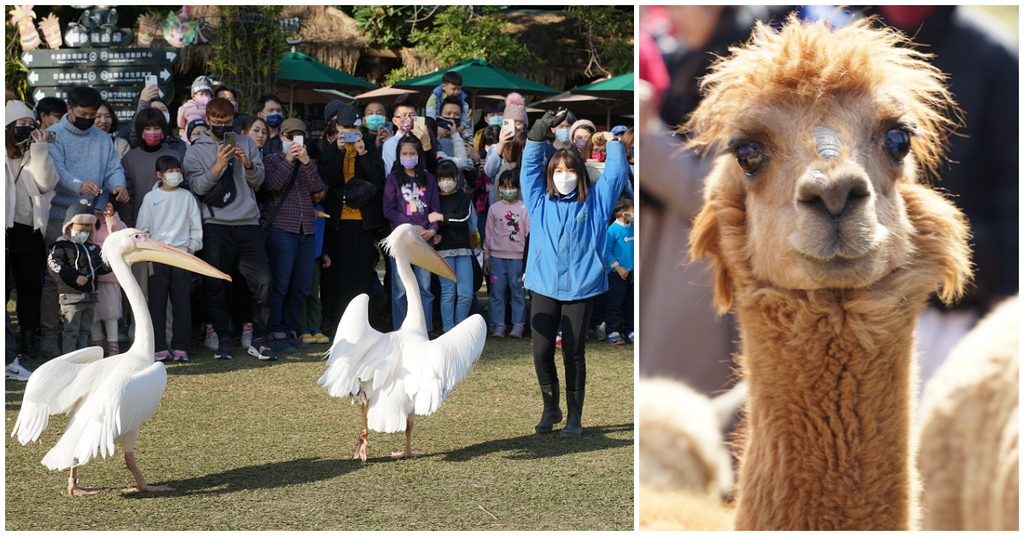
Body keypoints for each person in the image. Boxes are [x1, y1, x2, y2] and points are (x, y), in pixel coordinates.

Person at [521, 108, 627, 438]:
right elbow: (528, 168)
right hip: (543, 285)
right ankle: (550, 407)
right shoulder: (538, 201)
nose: (563, 175)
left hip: (581, 288)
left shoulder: (596, 202)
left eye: (569, 170)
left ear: (580, 174)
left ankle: (574, 417)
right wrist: (539, 130)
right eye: (558, 171)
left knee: (573, 352)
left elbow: (615, 176)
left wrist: (613, 144)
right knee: (541, 351)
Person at [183, 96, 274, 361]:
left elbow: (259, 181)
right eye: (218, 122)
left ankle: (259, 336)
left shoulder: (246, 142)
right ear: (207, 120)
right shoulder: (195, 150)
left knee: (263, 281)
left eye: (228, 122)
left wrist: (247, 164)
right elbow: (198, 188)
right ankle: (221, 337)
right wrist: (219, 165)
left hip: (248, 223)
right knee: (216, 285)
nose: (223, 126)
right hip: (216, 225)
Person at [41, 86, 129, 358]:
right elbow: (55, 169)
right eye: (83, 114)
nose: (89, 119)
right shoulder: (55, 134)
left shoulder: (102, 138)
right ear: (69, 109)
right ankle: (49, 335)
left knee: (92, 275)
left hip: (94, 219)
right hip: (60, 216)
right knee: (56, 278)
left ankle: (90, 336)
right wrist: (78, 185)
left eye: (93, 115)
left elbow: (113, 167)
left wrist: (118, 185)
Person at [318, 101, 388, 334]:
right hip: (337, 220)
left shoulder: (368, 147)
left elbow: (377, 179)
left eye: (353, 127)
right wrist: (339, 151)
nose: (349, 131)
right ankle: (335, 318)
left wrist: (363, 152)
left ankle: (362, 321)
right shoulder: (330, 150)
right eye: (345, 127)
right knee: (336, 273)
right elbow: (330, 179)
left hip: (362, 221)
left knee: (361, 273)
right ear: (338, 127)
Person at [261, 118, 324, 353]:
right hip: (281, 228)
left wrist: (306, 161)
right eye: (289, 137)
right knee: (281, 284)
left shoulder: (308, 162)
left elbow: (318, 189)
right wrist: (289, 159)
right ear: (281, 137)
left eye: (298, 137)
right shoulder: (271, 160)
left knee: (303, 285)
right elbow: (271, 186)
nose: (293, 141)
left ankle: (289, 328)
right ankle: (275, 330)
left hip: (306, 229)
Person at [5, 100, 58, 361]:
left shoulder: (36, 151)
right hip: (6, 229)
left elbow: (46, 184)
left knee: (29, 288)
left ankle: (28, 338)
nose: (28, 127)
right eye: (21, 124)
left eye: (30, 123)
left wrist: (39, 149)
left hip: (31, 229)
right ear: (8, 126)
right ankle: (7, 342)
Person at [136, 155, 203, 363]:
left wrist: (191, 248)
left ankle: (181, 347)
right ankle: (159, 348)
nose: (175, 175)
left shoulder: (187, 197)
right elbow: (142, 228)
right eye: (170, 171)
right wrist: (149, 250)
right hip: (157, 256)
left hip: (181, 256)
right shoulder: (150, 198)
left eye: (177, 170)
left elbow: (196, 227)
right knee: (157, 304)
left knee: (182, 303)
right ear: (159, 174)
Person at [382, 135, 441, 333]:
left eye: (412, 153)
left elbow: (435, 210)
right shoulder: (392, 179)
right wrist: (412, 227)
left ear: (419, 155)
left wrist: (432, 230)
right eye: (404, 154)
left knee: (425, 288)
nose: (408, 157)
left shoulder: (429, 179)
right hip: (401, 240)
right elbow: (388, 210)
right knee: (400, 289)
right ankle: (401, 331)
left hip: (424, 241)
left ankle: (424, 330)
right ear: (399, 156)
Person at [46, 200, 112, 354]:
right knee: (72, 330)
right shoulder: (60, 247)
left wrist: (112, 261)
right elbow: (55, 266)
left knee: (85, 331)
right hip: (71, 297)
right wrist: (75, 277)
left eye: (88, 227)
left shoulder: (93, 248)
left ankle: (82, 357)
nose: (85, 230)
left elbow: (102, 267)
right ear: (69, 226)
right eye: (81, 226)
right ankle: (69, 358)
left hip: (91, 297)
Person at [428, 160, 475, 333]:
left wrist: (441, 218)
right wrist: (434, 233)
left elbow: (463, 219)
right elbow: (430, 221)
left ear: (457, 177)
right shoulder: (434, 199)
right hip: (443, 252)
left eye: (449, 178)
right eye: (442, 178)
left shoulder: (463, 197)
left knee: (466, 294)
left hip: (463, 252)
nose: (446, 182)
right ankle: (449, 330)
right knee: (448, 292)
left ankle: (459, 330)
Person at [483, 168, 530, 339]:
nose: (508, 190)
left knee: (518, 292)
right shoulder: (494, 208)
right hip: (497, 258)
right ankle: (498, 324)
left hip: (518, 258)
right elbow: (488, 233)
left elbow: (529, 234)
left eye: (512, 187)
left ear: (518, 188)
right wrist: (486, 256)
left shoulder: (524, 208)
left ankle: (518, 324)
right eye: (504, 187)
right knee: (497, 292)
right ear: (498, 188)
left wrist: (528, 258)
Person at [120, 107, 181, 227]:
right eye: (147, 129)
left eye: (157, 128)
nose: (152, 132)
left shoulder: (174, 156)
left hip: (171, 223)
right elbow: (127, 197)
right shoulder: (130, 158)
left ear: (163, 130)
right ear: (140, 131)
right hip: (140, 222)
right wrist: (128, 226)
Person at [89, 201, 127, 356]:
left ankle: (113, 344)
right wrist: (90, 213)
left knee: (111, 311)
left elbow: (122, 236)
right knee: (93, 312)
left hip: (110, 275)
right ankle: (98, 343)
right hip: (91, 276)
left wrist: (111, 217)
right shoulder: (89, 221)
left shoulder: (115, 222)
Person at [298, 189, 331, 345]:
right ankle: (302, 329)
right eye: (315, 191)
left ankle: (315, 327)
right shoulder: (299, 208)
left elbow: (323, 234)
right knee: (301, 293)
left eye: (321, 190)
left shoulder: (321, 210)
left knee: (314, 294)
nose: (319, 194)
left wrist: (325, 253)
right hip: (300, 258)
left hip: (316, 259)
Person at [604, 197, 634, 345]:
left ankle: (631, 330)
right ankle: (613, 330)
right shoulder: (612, 230)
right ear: (625, 214)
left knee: (631, 303)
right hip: (617, 274)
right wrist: (618, 268)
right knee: (615, 303)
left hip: (633, 274)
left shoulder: (634, 228)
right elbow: (607, 252)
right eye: (633, 211)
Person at [381, 96, 432, 177]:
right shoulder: (390, 144)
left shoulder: (422, 139)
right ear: (395, 121)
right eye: (404, 115)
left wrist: (426, 142)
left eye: (412, 115)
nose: (408, 119)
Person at [425, 70, 471, 139]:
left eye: (459, 89)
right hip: (438, 130)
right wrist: (437, 129)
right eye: (453, 89)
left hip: (457, 130)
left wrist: (460, 128)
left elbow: (464, 118)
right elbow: (430, 117)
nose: (456, 92)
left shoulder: (462, 100)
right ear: (443, 86)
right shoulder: (435, 98)